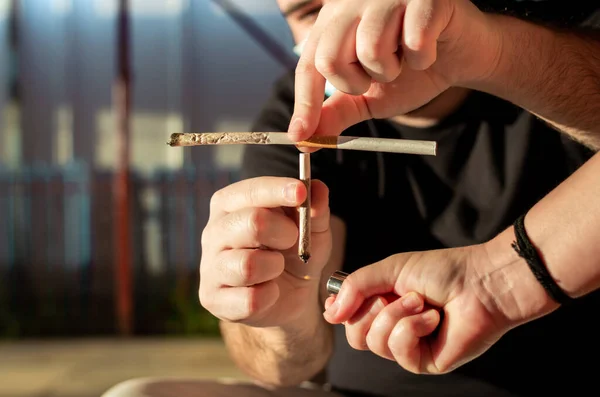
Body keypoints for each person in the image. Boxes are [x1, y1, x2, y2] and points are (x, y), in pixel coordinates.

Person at [101, 1, 600, 396]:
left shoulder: (552, 48)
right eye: (308, 11)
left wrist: (493, 53)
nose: (340, 27)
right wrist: (279, 317)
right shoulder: (294, 116)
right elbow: (285, 368)